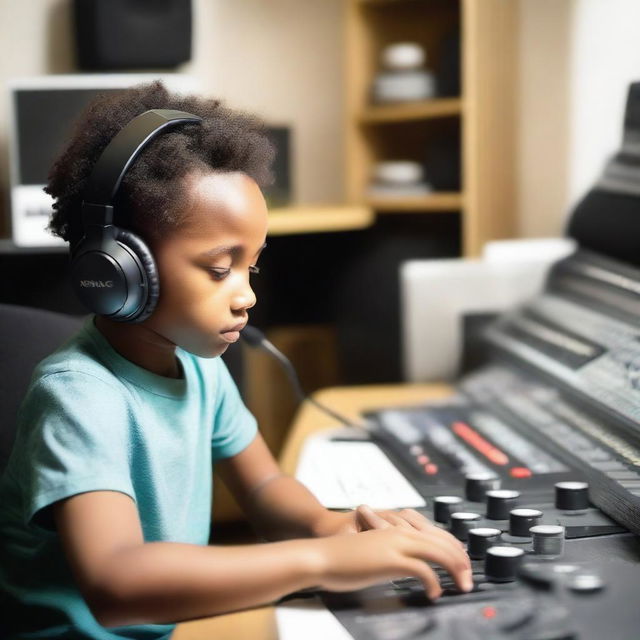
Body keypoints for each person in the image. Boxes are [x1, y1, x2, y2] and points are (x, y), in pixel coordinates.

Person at [0, 81, 472, 640]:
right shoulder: (79, 396)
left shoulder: (200, 366)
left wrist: (330, 527)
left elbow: (266, 486)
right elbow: (117, 583)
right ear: (118, 269)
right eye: (220, 269)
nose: (247, 295)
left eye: (252, 267)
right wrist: (320, 563)